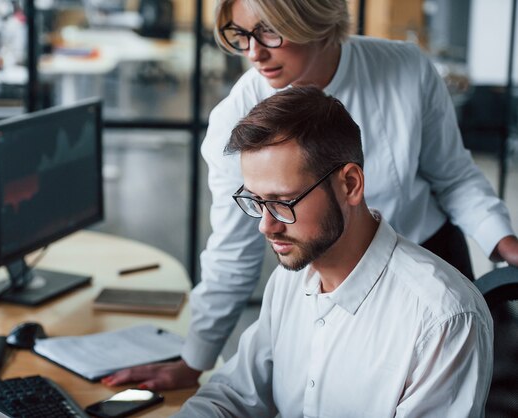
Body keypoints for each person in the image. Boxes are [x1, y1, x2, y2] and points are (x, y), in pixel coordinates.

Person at [102, 0, 518, 390]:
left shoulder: (405, 68)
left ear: (316, 20)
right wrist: (194, 361)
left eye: (268, 32)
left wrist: (505, 243)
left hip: (431, 254)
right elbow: (234, 250)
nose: (253, 53)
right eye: (241, 35)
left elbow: (454, 175)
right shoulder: (237, 117)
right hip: (335, 279)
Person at [175, 86, 493, 417]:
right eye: (256, 201)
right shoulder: (289, 280)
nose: (266, 226)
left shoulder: (443, 318)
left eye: (283, 202)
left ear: (350, 185)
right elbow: (236, 393)